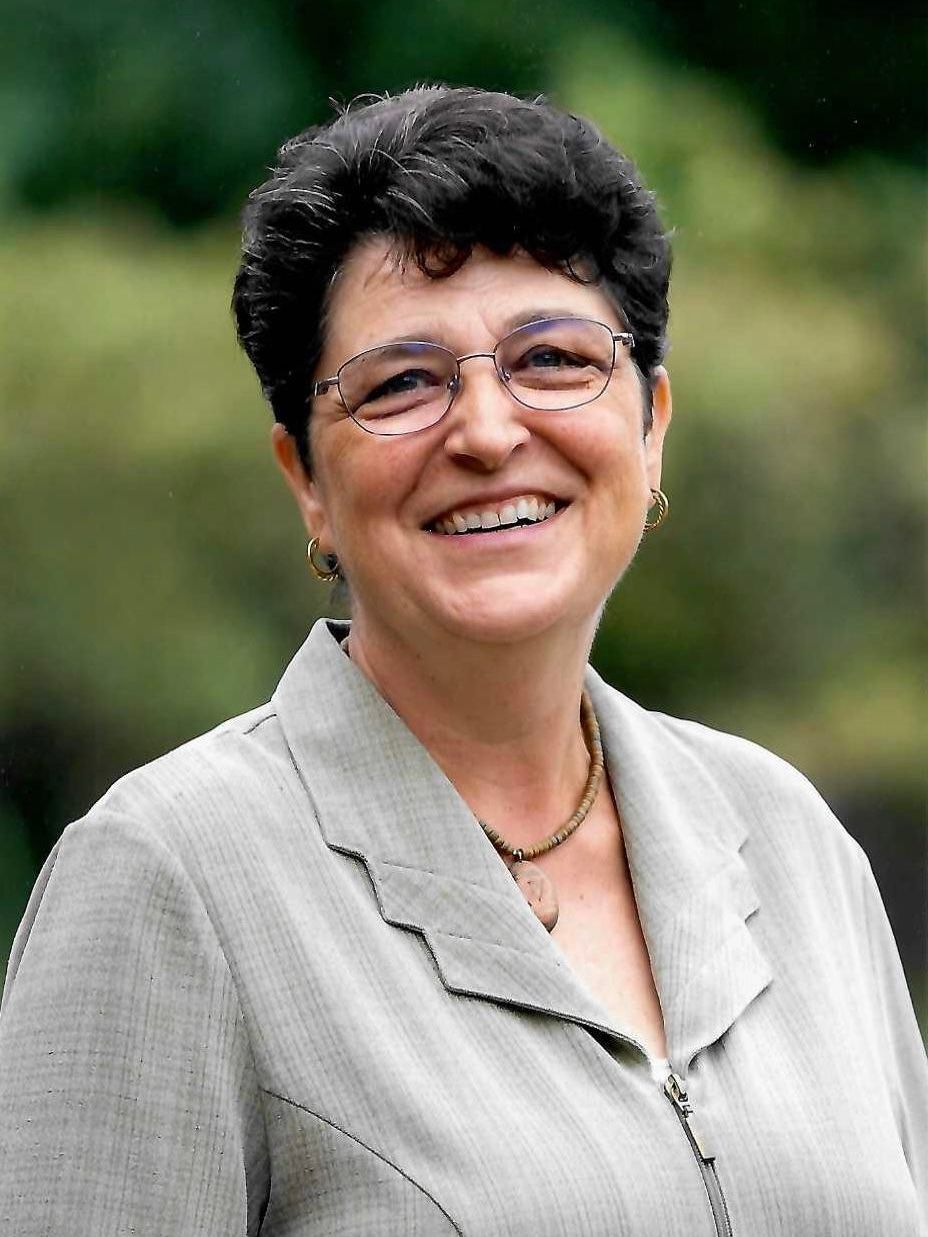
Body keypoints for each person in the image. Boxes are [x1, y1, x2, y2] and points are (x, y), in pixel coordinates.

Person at [0, 86, 924, 1237]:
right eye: (400, 383)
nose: (487, 433)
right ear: (305, 479)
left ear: (650, 426)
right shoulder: (169, 879)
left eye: (554, 359)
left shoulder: (789, 842)